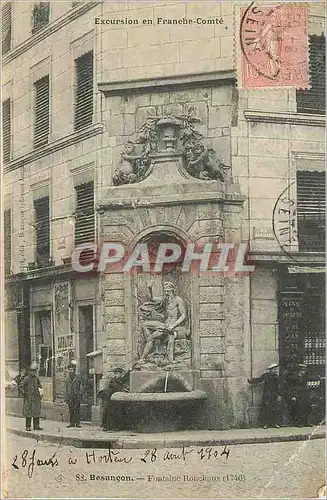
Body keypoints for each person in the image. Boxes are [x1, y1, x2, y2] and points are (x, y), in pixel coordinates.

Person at [140, 282, 187, 362]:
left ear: (173, 291)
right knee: (145, 324)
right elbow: (153, 299)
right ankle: (144, 358)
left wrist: (173, 326)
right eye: (165, 291)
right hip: (165, 325)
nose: (166, 293)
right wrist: (150, 289)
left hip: (173, 327)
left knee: (151, 337)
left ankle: (143, 358)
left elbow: (183, 316)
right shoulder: (165, 299)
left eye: (168, 291)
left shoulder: (178, 300)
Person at [248, 363, 282, 429]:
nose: (275, 371)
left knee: (275, 409)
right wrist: (251, 381)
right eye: (274, 369)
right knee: (266, 409)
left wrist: (279, 395)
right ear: (270, 370)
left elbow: (279, 387)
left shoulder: (277, 377)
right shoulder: (266, 376)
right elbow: (259, 380)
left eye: (276, 369)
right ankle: (266, 424)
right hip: (267, 395)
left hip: (274, 395)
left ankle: (275, 423)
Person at [98, 367, 128, 432]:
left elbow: (125, 387)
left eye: (117, 373)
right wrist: (122, 389)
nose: (116, 375)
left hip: (119, 399)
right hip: (110, 398)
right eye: (115, 373)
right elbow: (114, 386)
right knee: (107, 412)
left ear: (120, 374)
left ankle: (117, 427)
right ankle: (106, 426)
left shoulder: (122, 380)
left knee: (118, 413)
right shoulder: (113, 380)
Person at [20, 362, 43, 431]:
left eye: (34, 371)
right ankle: (28, 426)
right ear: (29, 371)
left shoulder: (36, 379)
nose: (33, 372)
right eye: (31, 371)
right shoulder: (26, 379)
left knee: (36, 413)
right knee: (28, 413)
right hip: (28, 398)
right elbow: (21, 386)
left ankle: (36, 426)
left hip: (36, 398)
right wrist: (24, 393)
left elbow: (40, 386)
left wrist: (41, 393)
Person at [65, 361, 83, 428]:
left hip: (76, 396)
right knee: (71, 410)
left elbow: (81, 386)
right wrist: (66, 398)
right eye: (69, 369)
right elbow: (66, 389)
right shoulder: (67, 379)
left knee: (77, 410)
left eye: (72, 369)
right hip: (70, 397)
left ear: (74, 370)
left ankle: (77, 423)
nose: (71, 371)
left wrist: (80, 394)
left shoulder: (78, 378)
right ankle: (71, 423)